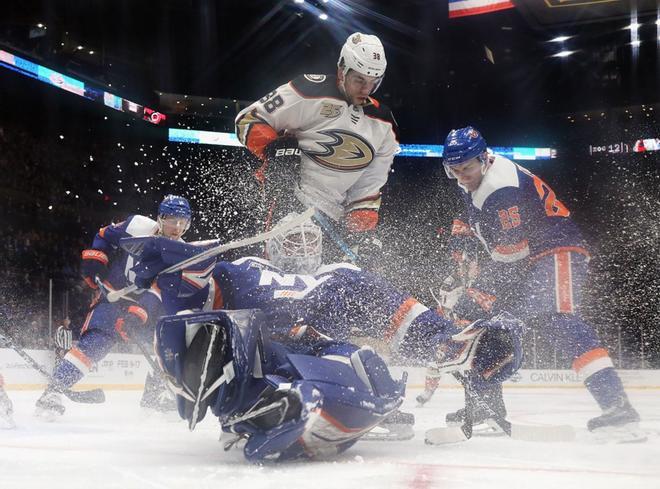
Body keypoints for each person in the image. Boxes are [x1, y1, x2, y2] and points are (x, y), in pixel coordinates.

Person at [125, 214, 525, 441]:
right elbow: (192, 302)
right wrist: (166, 264)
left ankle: (322, 406)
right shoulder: (242, 268)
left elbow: (397, 312)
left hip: (315, 353)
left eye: (308, 239)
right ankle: (260, 407)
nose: (302, 248)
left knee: (360, 360)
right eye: (292, 241)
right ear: (273, 245)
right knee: (231, 340)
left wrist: (443, 340)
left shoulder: (340, 274)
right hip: (257, 353)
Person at [438, 126, 644, 442]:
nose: (462, 176)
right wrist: (458, 267)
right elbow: (467, 224)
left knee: (557, 321)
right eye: (454, 171)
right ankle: (485, 406)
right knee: (492, 325)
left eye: (467, 168)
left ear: (483, 158)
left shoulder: (500, 189)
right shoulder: (473, 178)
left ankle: (619, 409)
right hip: (533, 260)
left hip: (556, 252)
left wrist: (478, 290)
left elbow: (511, 257)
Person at [235, 32, 400, 264]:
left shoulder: (385, 122)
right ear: (342, 70)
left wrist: (361, 236)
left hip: (334, 217)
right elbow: (247, 120)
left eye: (374, 82)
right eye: (359, 80)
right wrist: (276, 150)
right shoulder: (308, 90)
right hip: (288, 199)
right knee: (288, 278)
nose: (366, 89)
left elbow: (368, 188)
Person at [34, 195, 192, 419]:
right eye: (171, 221)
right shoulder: (137, 225)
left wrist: (138, 314)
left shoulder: (181, 255)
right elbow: (103, 236)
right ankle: (52, 393)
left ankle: (153, 398)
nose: (176, 228)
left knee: (167, 346)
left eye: (182, 222)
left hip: (146, 305)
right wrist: (96, 261)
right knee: (95, 344)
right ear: (159, 218)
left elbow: (158, 291)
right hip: (113, 295)